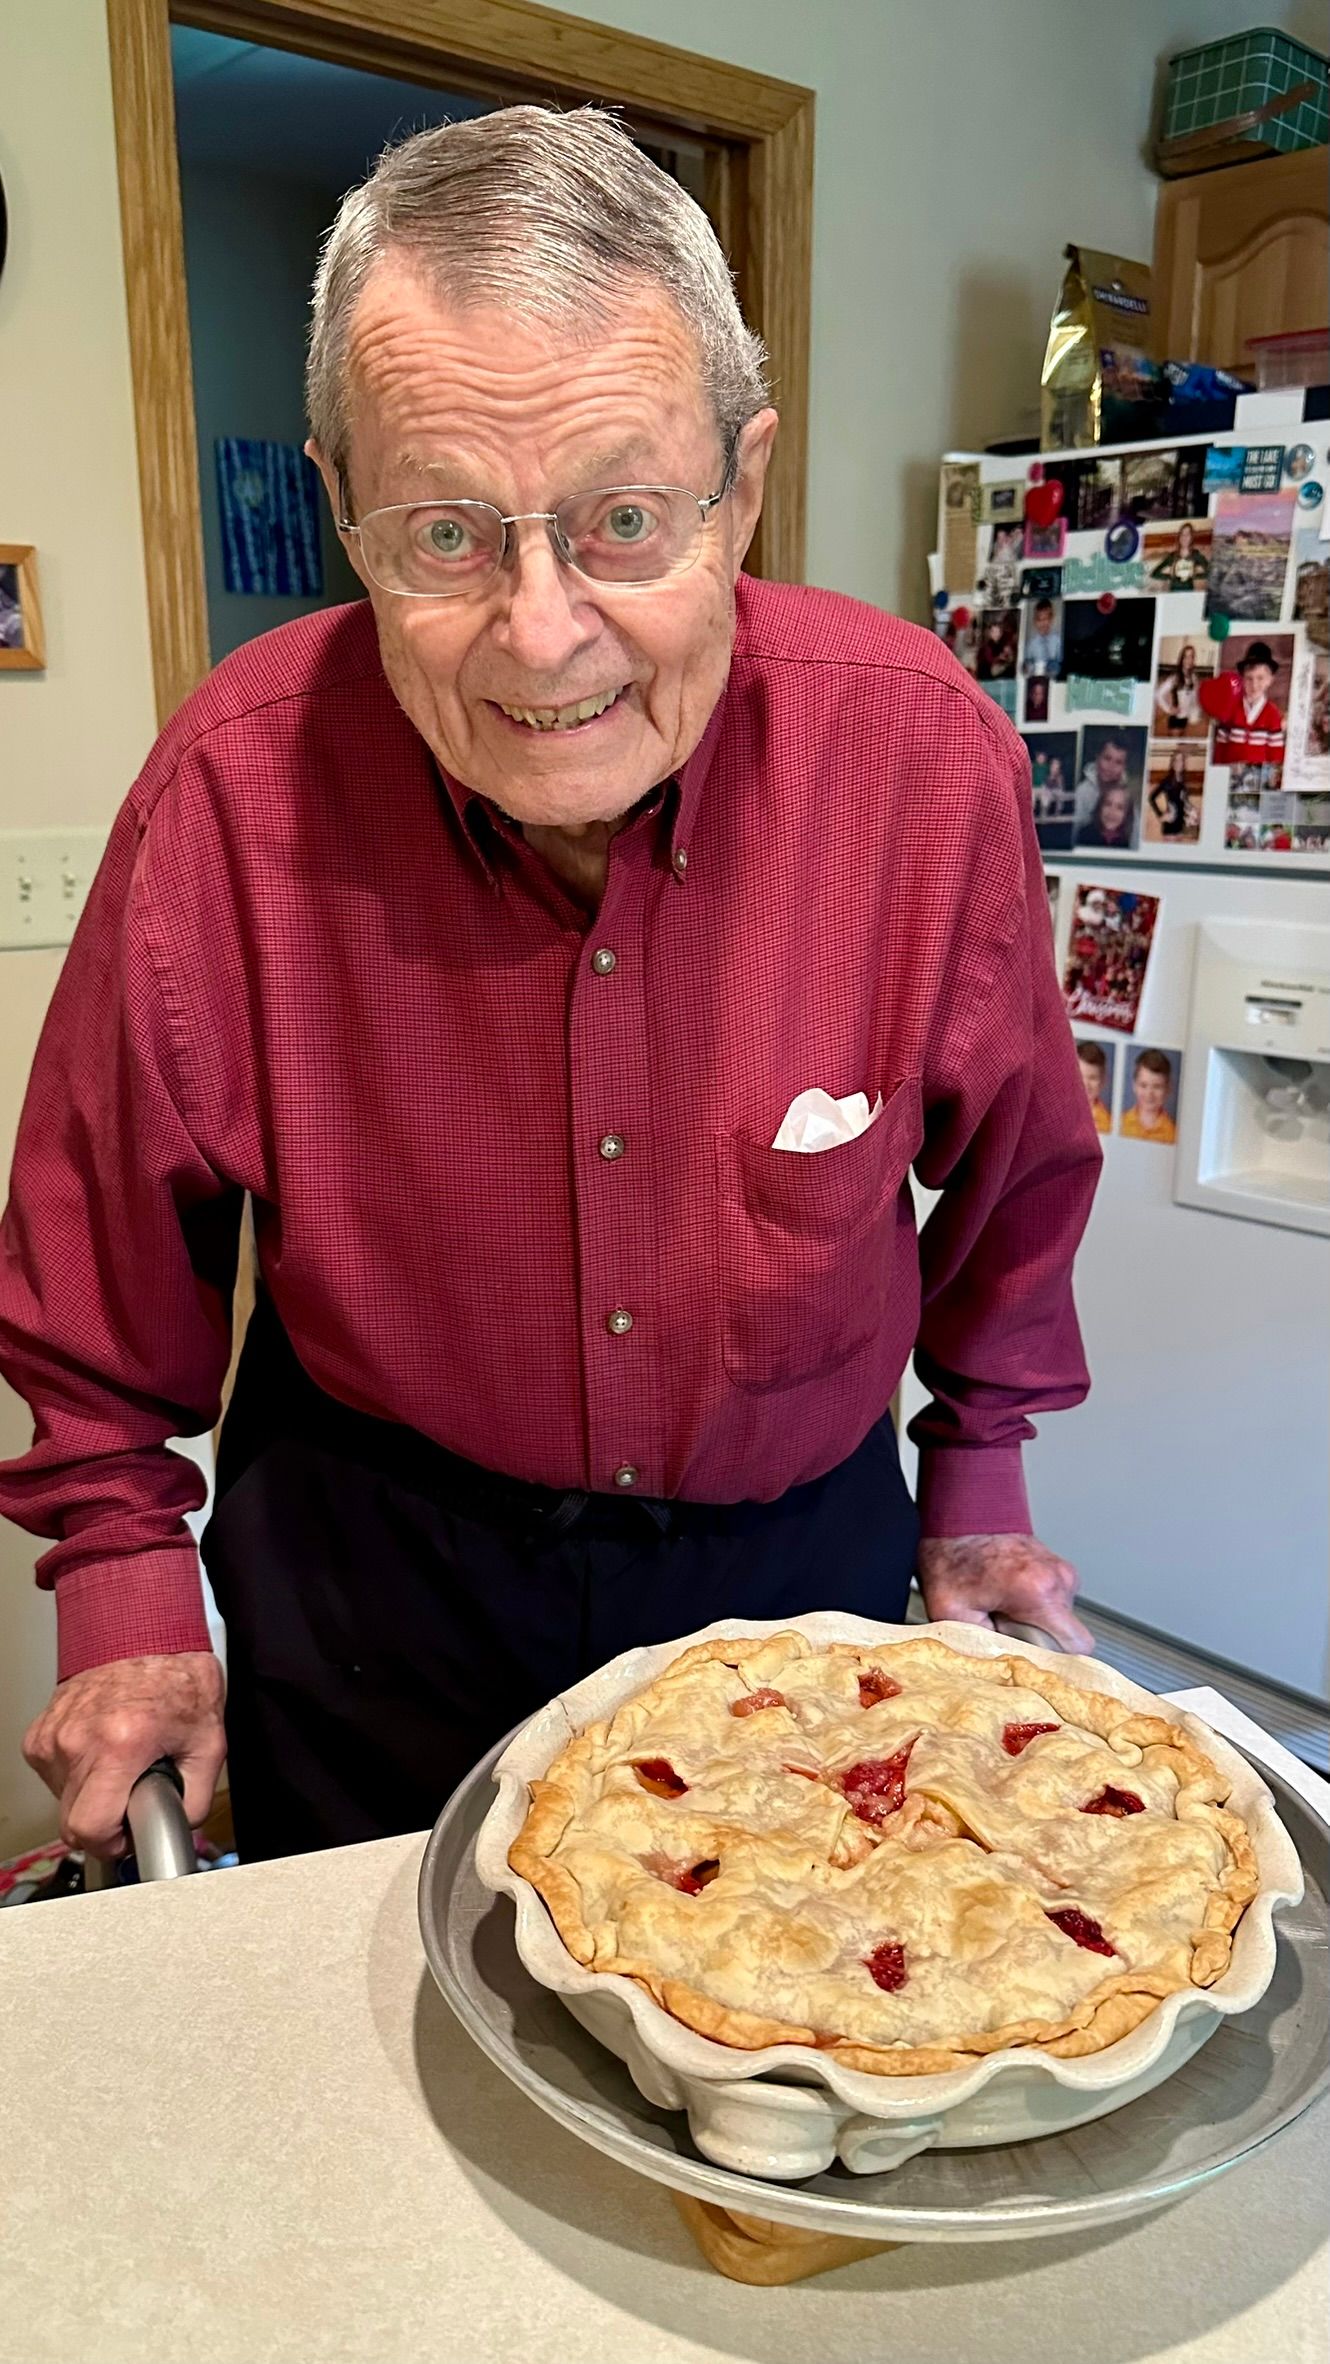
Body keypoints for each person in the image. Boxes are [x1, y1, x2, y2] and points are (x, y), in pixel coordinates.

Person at [0, 108, 1101, 1869]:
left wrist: (978, 1483)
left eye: (624, 519)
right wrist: (125, 1579)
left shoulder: (919, 758)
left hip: (791, 1574)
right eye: (443, 532)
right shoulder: (230, 785)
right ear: (343, 508)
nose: (538, 629)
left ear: (740, 485)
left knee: (793, 2038)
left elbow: (1019, 1178)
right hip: (379, 1578)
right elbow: (88, 1273)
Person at [1198, 641, 1285, 765]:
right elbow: (1221, 746)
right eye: (1249, 678)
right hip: (1230, 772)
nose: (1254, 685)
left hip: (1257, 778)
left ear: (1270, 680)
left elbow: (1276, 752)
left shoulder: (1272, 714)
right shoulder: (1231, 708)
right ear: (1242, 679)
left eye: (1260, 678)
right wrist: (1218, 770)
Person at [1074, 729, 1133, 831]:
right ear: (1097, 758)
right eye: (1107, 758)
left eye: (1118, 762)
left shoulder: (1127, 794)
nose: (1111, 767)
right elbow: (1074, 833)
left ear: (1124, 767)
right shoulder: (1082, 793)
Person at [1120, 1049, 1176, 1143]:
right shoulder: (1120, 1123)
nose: (1149, 1093)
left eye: (1157, 1087)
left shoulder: (1173, 1133)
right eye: (1143, 1085)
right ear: (1134, 1086)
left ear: (1168, 1088)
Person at [1154, 642, 1202, 736]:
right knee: (1173, 746)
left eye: (1191, 656)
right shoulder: (1175, 678)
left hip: (1187, 719)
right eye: (1185, 656)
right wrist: (1168, 709)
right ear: (1182, 659)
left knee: (1181, 747)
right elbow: (1158, 694)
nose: (1188, 660)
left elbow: (1196, 698)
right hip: (1176, 720)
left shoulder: (1194, 678)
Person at [1148, 521, 1209, 593]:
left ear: (1191, 537)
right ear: (1179, 537)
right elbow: (1154, 574)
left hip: (1189, 593)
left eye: (1187, 534)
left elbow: (1210, 573)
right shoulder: (1172, 556)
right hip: (1173, 592)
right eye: (1182, 534)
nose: (1184, 537)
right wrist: (1170, 576)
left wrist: (1194, 575)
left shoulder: (1195, 555)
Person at [1074, 780, 1136, 849]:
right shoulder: (1085, 835)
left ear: (1127, 814)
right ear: (1100, 806)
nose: (1112, 812)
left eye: (1120, 807)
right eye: (1108, 804)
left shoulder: (1126, 841)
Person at [1149, 746, 1194, 839]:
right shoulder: (1167, 781)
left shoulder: (1183, 782)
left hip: (1181, 826)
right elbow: (1152, 798)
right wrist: (1161, 815)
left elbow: (1184, 802)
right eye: (1176, 761)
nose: (1178, 763)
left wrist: (1192, 811)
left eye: (1181, 760)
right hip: (1170, 825)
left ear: (1183, 763)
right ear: (1172, 763)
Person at [1076, 1042, 1112, 1135]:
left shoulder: (1107, 1122)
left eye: (1093, 1078)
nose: (1085, 1084)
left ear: (1103, 1081)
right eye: (1080, 1075)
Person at [1023, 598, 1062, 676]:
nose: (1043, 623)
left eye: (1046, 619)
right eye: (1039, 620)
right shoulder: (1030, 644)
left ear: (1051, 619)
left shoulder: (1058, 641)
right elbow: (1026, 666)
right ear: (1034, 621)